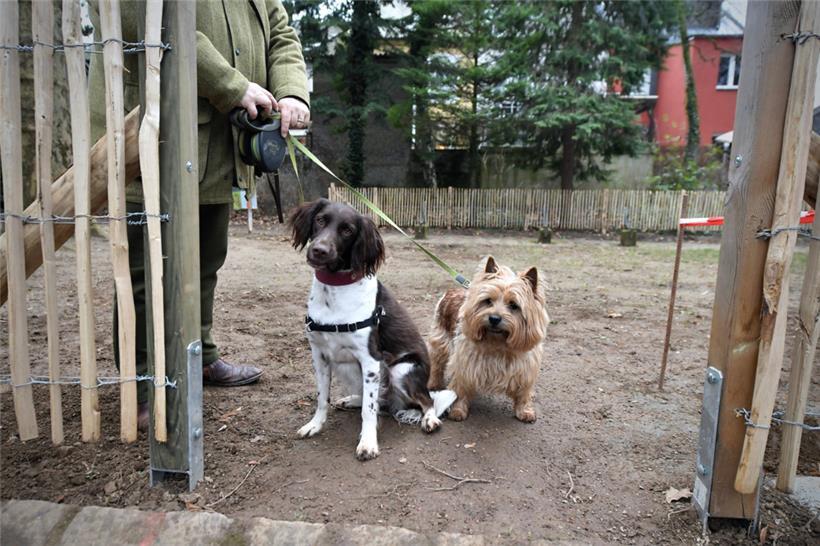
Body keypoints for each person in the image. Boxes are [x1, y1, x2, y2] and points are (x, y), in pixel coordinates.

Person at [89, 0, 311, 430]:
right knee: (144, 274)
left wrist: (290, 91)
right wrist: (232, 86)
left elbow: (281, 33)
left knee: (206, 261)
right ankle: (140, 388)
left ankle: (201, 357)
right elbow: (144, 20)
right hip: (151, 140)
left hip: (218, 146)